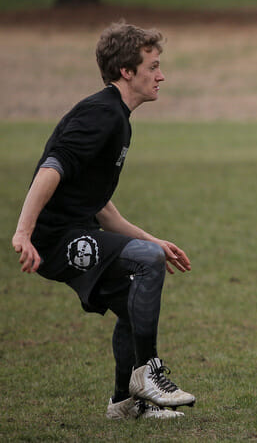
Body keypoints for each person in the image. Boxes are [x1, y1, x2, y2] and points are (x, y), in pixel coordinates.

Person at [11, 21, 197, 420]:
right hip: (55, 239)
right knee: (145, 263)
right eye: (153, 67)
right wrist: (24, 233)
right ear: (126, 71)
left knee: (136, 301)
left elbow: (100, 205)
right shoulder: (102, 114)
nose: (161, 75)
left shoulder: (117, 117)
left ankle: (124, 404)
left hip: (74, 230)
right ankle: (148, 374)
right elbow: (52, 167)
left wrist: (154, 239)